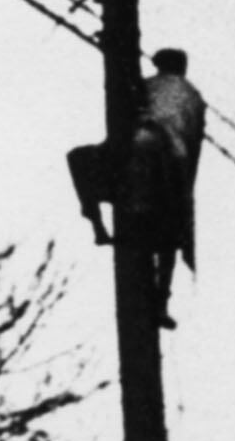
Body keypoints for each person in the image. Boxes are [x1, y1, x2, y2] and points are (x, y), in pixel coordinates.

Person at [66, 47, 206, 328]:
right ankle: (160, 303)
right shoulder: (194, 97)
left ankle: (97, 226)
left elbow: (124, 116)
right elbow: (194, 145)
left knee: (80, 161)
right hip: (173, 159)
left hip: (141, 146)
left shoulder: (147, 85)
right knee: (169, 233)